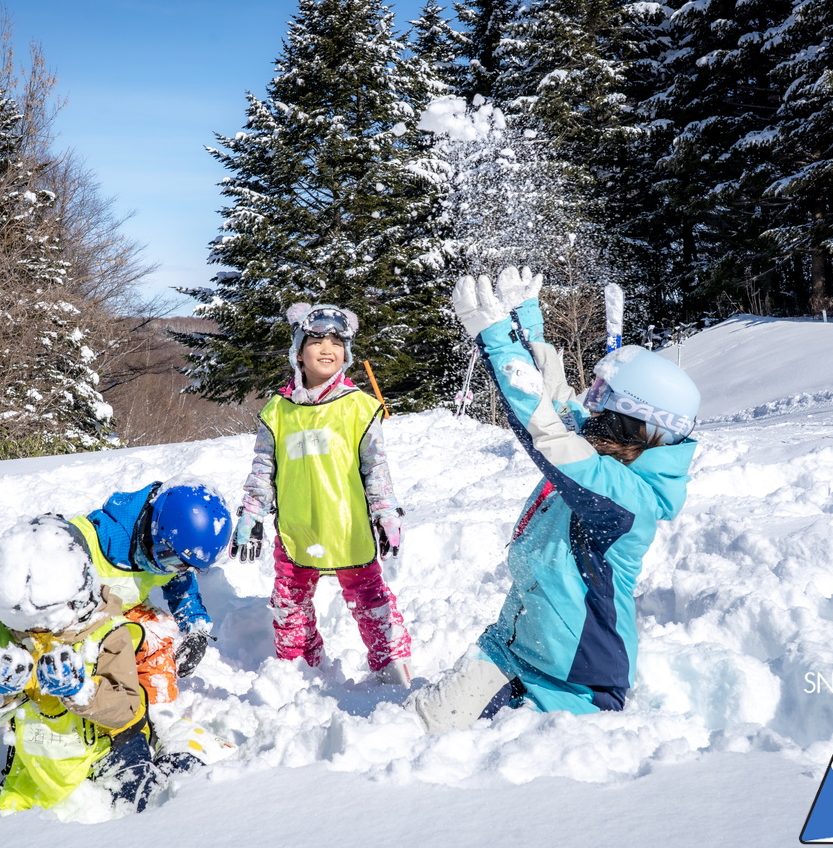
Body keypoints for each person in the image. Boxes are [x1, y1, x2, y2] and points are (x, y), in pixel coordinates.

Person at [408, 268, 700, 731]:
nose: (593, 406)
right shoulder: (611, 455)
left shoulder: (626, 499)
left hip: (573, 687)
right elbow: (560, 403)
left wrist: (497, 340)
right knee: (407, 728)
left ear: (637, 422)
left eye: (606, 400)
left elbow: (544, 430)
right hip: (514, 647)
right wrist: (530, 325)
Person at [0, 515, 199, 812]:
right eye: (20, 622)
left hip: (112, 747)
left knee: (139, 812)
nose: (34, 633)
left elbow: (125, 706)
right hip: (39, 760)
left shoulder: (106, 630)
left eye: (42, 621)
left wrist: (81, 691)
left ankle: (177, 765)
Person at [232, 302, 413, 685]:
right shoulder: (277, 411)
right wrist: (252, 512)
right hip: (298, 528)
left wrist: (385, 512)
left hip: (349, 528)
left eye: (336, 341)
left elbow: (375, 468)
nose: (327, 348)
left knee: (371, 599)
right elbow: (264, 468)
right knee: (289, 601)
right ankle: (298, 669)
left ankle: (392, 665)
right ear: (298, 352)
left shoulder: (360, 408)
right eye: (316, 341)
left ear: (346, 353)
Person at [68, 481, 232, 705]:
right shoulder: (91, 539)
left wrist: (197, 629)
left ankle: (153, 715)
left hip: (122, 612)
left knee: (158, 634)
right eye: (169, 559)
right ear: (154, 529)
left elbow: (182, 588)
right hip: (74, 623)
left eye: (183, 566)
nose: (171, 570)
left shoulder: (169, 554)